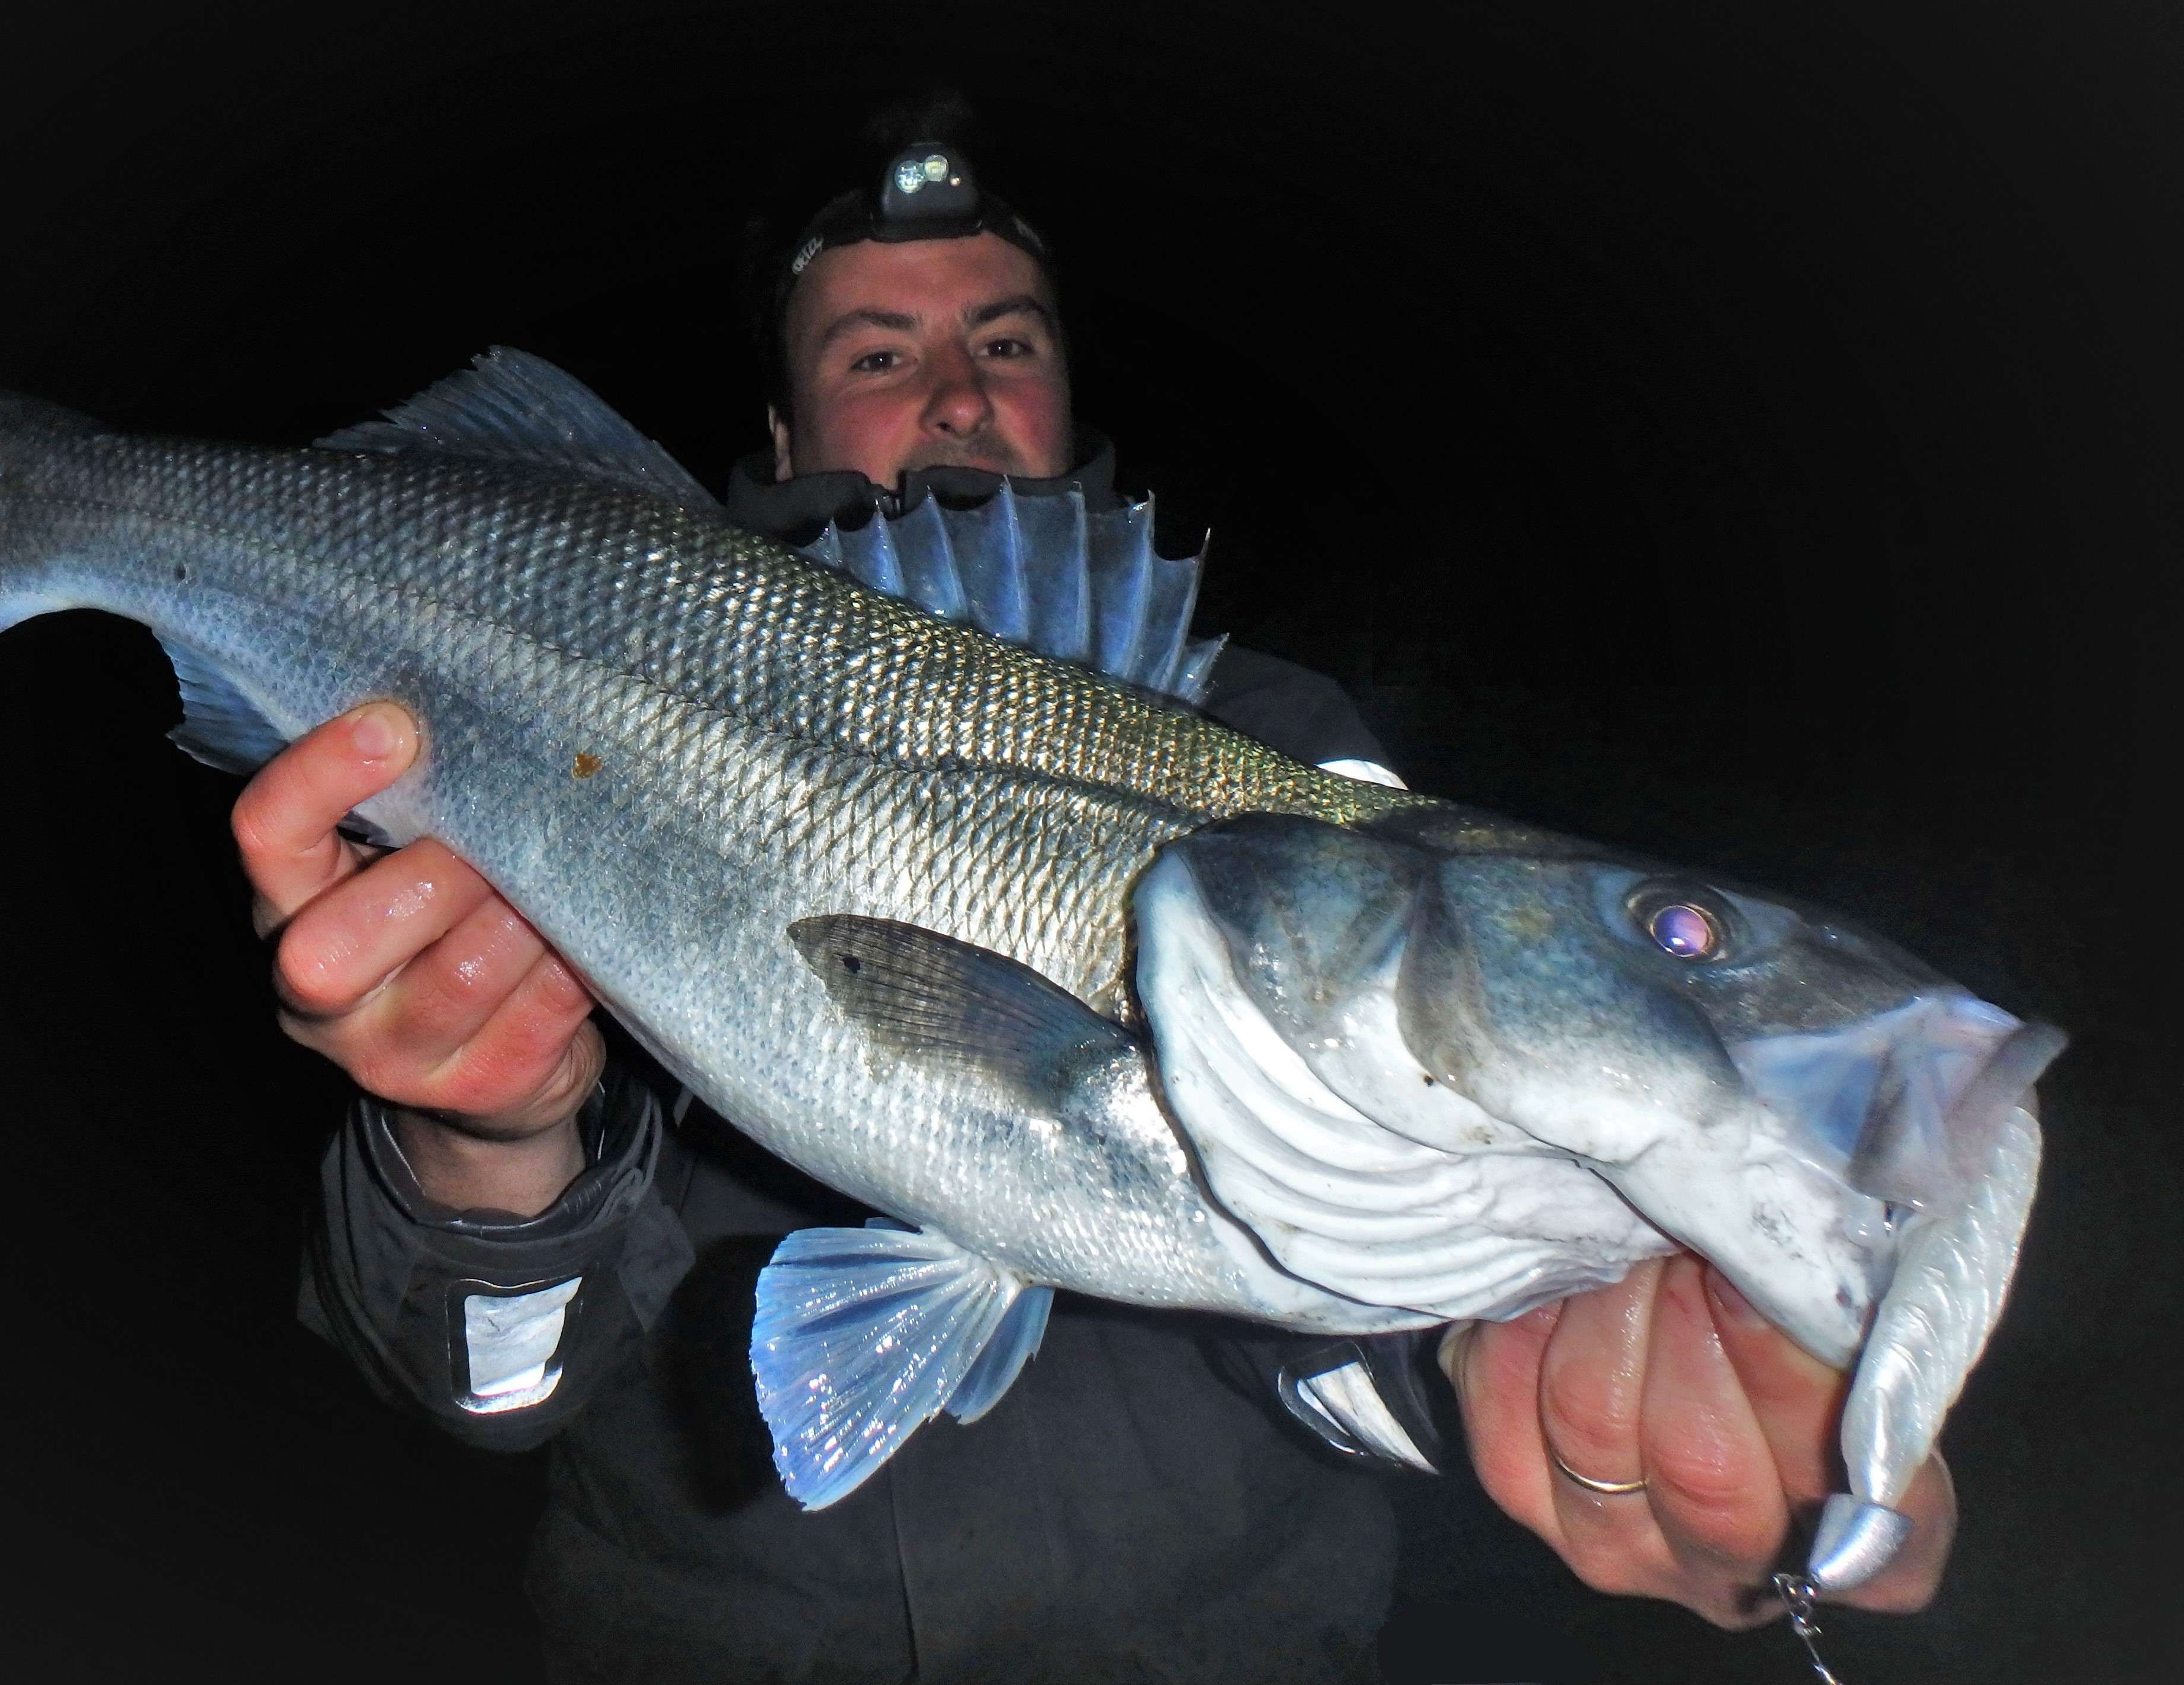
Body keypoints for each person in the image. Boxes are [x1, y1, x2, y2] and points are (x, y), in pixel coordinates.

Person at [262, 134, 1957, 1679]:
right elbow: (493, 1398)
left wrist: (1512, 1385)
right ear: (778, 442)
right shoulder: (570, 659)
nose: (956, 394)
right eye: (876, 354)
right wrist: (484, 1154)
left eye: (1007, 342)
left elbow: (1331, 1308)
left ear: (1071, 399)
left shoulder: (1277, 757)